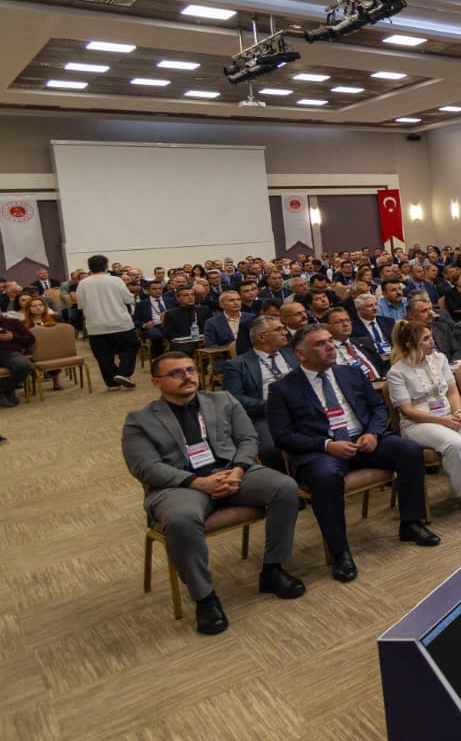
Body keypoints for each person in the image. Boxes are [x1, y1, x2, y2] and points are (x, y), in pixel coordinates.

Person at [122, 351, 305, 634]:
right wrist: (198, 482)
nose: (187, 376)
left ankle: (273, 569)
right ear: (156, 382)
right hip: (180, 485)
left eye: (191, 370)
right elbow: (146, 468)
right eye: (176, 373)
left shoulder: (223, 400)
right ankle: (204, 598)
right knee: (181, 519)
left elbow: (248, 439)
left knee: (285, 487)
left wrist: (238, 470)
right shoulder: (140, 420)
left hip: (232, 471)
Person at [267, 326, 439, 583]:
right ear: (300, 354)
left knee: (410, 450)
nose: (330, 347)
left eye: (330, 341)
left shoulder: (351, 373)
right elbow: (283, 436)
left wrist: (373, 433)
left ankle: (411, 523)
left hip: (363, 440)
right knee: (325, 478)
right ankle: (340, 552)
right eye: (320, 344)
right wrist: (326, 445)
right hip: (322, 452)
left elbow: (378, 408)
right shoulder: (282, 389)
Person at [386, 320, 461, 510]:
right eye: (426, 339)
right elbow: (407, 410)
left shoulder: (440, 359)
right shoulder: (397, 372)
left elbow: (452, 392)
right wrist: (443, 421)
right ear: (410, 344)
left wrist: (458, 411)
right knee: (456, 444)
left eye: (431, 336)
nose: (432, 341)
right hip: (416, 423)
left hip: (447, 414)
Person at [220, 317, 296, 470]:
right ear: (262, 337)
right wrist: (274, 406)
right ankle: (284, 481)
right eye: (279, 329)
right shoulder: (237, 365)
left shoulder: (293, 355)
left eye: (284, 328)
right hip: (265, 415)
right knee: (272, 449)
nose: (285, 333)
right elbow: (234, 399)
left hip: (304, 408)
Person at [74, 254, 140, 389]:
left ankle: (112, 382)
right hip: (120, 323)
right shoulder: (115, 280)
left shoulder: (83, 283)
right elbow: (128, 299)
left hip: (96, 326)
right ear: (106, 266)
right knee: (129, 348)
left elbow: (80, 304)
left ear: (90, 267)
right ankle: (124, 373)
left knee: (103, 355)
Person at [325, 307, 386, 381]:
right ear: (327, 326)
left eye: (347, 320)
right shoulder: (327, 351)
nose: (345, 324)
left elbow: (382, 367)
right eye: (339, 322)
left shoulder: (365, 342)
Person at [0, 311, 34, 407]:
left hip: (10, 353)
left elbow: (30, 338)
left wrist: (13, 337)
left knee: (25, 366)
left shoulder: (14, 322)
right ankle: (6, 393)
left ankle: (4, 390)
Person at [351, 293, 396, 360]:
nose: (375, 308)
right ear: (359, 309)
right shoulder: (353, 328)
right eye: (370, 306)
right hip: (372, 360)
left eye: (376, 304)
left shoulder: (389, 321)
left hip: (392, 357)